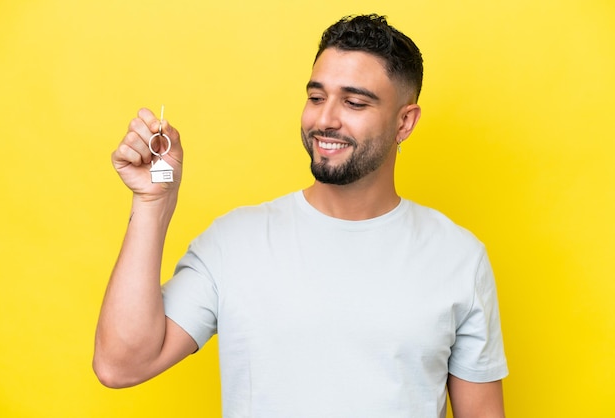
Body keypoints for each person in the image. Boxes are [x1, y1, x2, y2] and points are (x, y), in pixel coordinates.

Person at [93, 14, 508, 418]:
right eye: (315, 97)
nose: (325, 120)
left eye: (354, 102)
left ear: (405, 122)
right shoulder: (234, 242)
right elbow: (121, 365)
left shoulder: (458, 257)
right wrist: (152, 203)